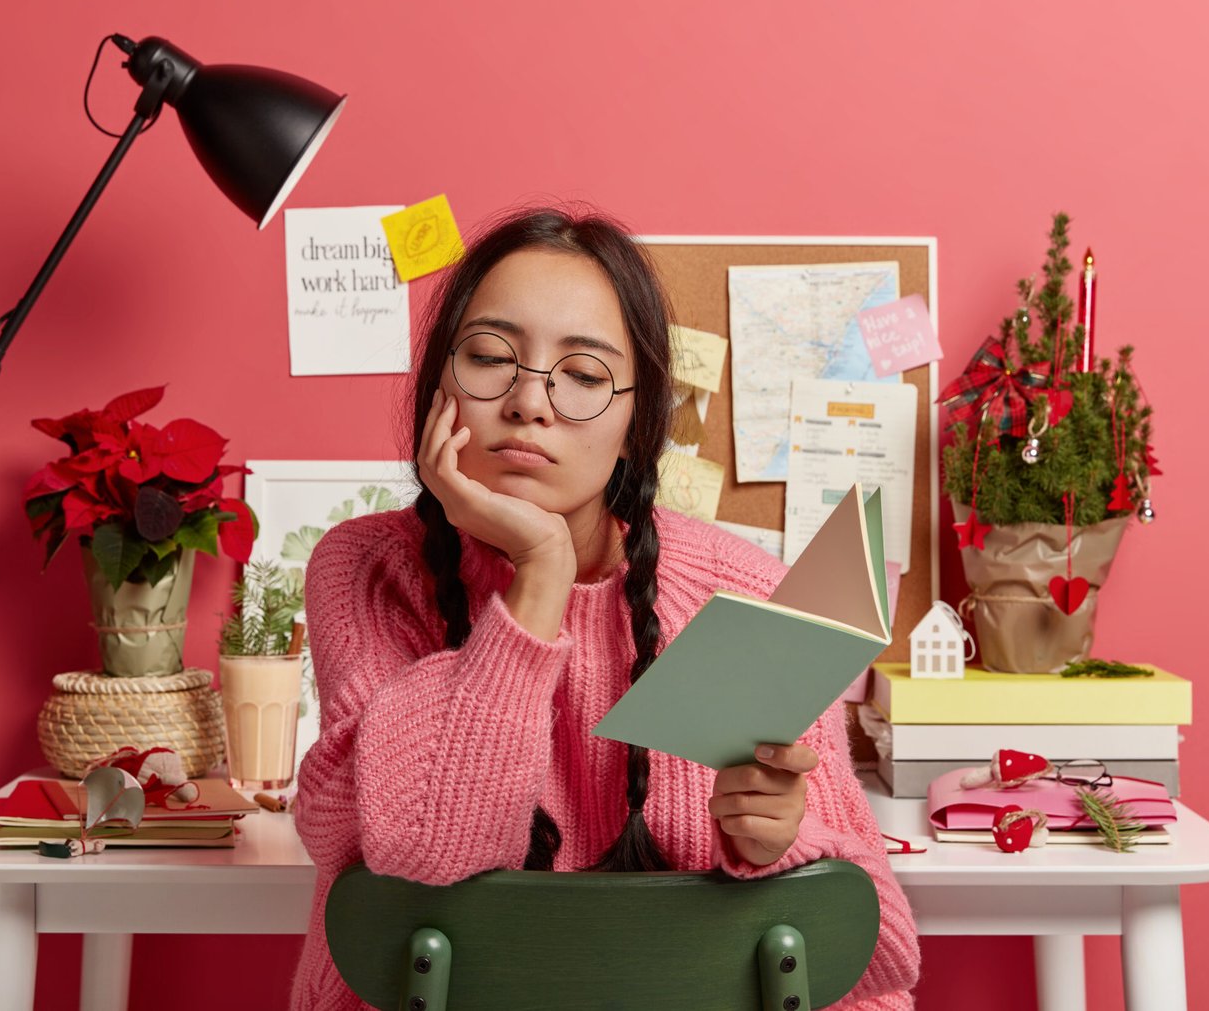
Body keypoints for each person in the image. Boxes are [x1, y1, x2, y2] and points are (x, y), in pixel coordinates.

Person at [290, 207, 920, 1009]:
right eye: (489, 357)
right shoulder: (367, 571)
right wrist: (540, 573)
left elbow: (877, 957)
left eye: (584, 375)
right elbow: (416, 845)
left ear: (636, 424)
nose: (529, 401)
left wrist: (784, 841)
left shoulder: (748, 593)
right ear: (438, 387)